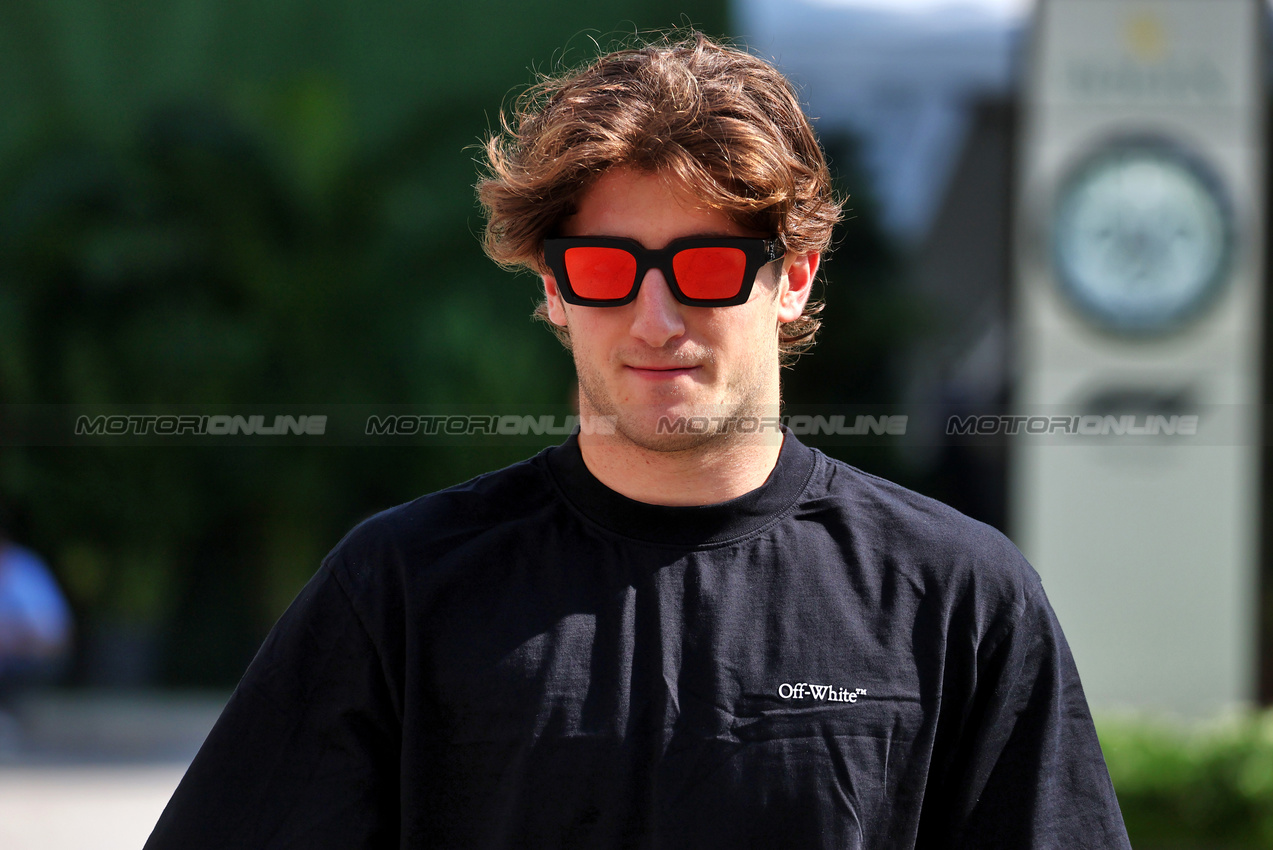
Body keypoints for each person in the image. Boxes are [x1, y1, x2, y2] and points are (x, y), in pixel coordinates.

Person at [146, 32, 1131, 848]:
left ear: (791, 276)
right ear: (553, 285)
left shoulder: (955, 595)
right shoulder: (403, 589)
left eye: (705, 265)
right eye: (606, 267)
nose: (655, 318)